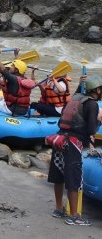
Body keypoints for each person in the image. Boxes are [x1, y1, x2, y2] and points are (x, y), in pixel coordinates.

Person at [46, 74, 102, 226]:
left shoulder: (75, 99)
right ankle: (74, 216)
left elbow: (61, 121)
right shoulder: (92, 105)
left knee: (58, 174)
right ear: (97, 90)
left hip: (59, 140)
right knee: (74, 179)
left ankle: (58, 209)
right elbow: (91, 129)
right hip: (73, 144)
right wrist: (99, 120)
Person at [0, 50, 35, 115]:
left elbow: (3, 70)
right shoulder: (24, 79)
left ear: (16, 70)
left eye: (12, 66)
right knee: (0, 99)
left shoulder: (13, 79)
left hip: (11, 109)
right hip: (23, 110)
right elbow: (17, 66)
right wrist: (16, 55)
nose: (11, 67)